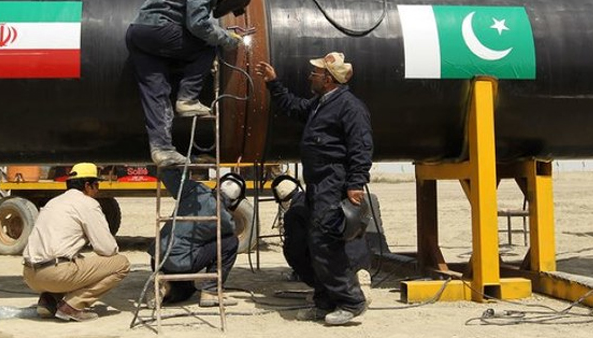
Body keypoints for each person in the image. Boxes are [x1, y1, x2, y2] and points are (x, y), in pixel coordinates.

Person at [255, 52, 373, 325]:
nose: (311, 75)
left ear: (329, 79)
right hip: (317, 183)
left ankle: (351, 301)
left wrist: (356, 182)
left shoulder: (349, 107)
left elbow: (361, 146)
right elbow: (293, 107)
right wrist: (274, 82)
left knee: (324, 241)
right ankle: (324, 301)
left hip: (333, 181)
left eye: (316, 72)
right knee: (305, 237)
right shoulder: (321, 103)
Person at [126, 0, 252, 167]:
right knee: (206, 46)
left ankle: (162, 150)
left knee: (156, 93)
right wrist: (226, 38)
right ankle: (188, 100)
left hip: (139, 33)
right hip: (158, 28)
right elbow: (198, 24)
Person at [22, 163, 131, 322]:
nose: (97, 190)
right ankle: (72, 306)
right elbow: (107, 249)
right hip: (55, 275)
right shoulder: (87, 203)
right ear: (87, 185)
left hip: (30, 275)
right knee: (121, 264)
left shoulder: (54, 202)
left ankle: (48, 301)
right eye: (96, 185)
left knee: (73, 259)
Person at [147, 169, 243, 307]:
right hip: (181, 263)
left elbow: (169, 175)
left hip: (157, 257)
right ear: (234, 201)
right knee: (231, 242)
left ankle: (165, 287)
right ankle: (210, 291)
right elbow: (220, 244)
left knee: (188, 288)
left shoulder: (195, 190)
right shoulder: (226, 221)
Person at [272, 175, 373, 302]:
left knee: (300, 250)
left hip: (337, 263)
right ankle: (358, 273)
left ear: (282, 201)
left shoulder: (293, 214)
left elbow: (295, 249)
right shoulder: (324, 200)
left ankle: (325, 290)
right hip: (362, 257)